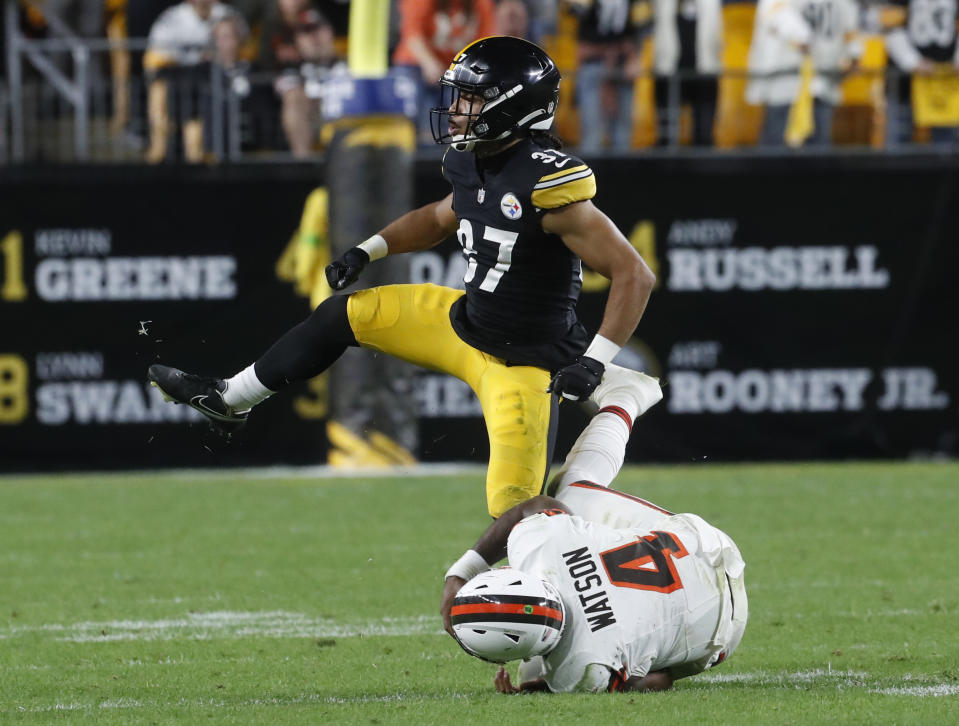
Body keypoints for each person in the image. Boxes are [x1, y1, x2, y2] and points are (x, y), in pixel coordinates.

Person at [147, 36, 656, 518]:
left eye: (472, 100)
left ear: (513, 106)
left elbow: (635, 274)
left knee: (514, 510)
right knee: (339, 316)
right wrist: (367, 251)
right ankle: (229, 400)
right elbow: (439, 218)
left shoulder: (548, 183)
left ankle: (557, 581)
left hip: (523, 365)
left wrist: (594, 362)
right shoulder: (470, 161)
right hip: (461, 323)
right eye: (459, 98)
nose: (457, 110)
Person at [439, 365, 748, 693]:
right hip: (708, 550)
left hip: (724, 634)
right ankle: (624, 397)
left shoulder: (584, 668)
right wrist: (462, 572)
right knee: (568, 492)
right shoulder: (545, 544)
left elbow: (655, 681)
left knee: (537, 673)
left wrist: (533, 690)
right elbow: (537, 506)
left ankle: (627, 394)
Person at [746, 0, 862, 147]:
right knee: (775, 143)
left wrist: (853, 52)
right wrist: (802, 36)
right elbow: (775, 13)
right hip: (785, 79)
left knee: (819, 143)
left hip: (824, 78)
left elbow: (849, 24)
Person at [881, 0, 959, 147]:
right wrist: (913, 62)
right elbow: (890, 26)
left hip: (945, 82)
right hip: (904, 81)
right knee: (900, 138)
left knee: (945, 146)